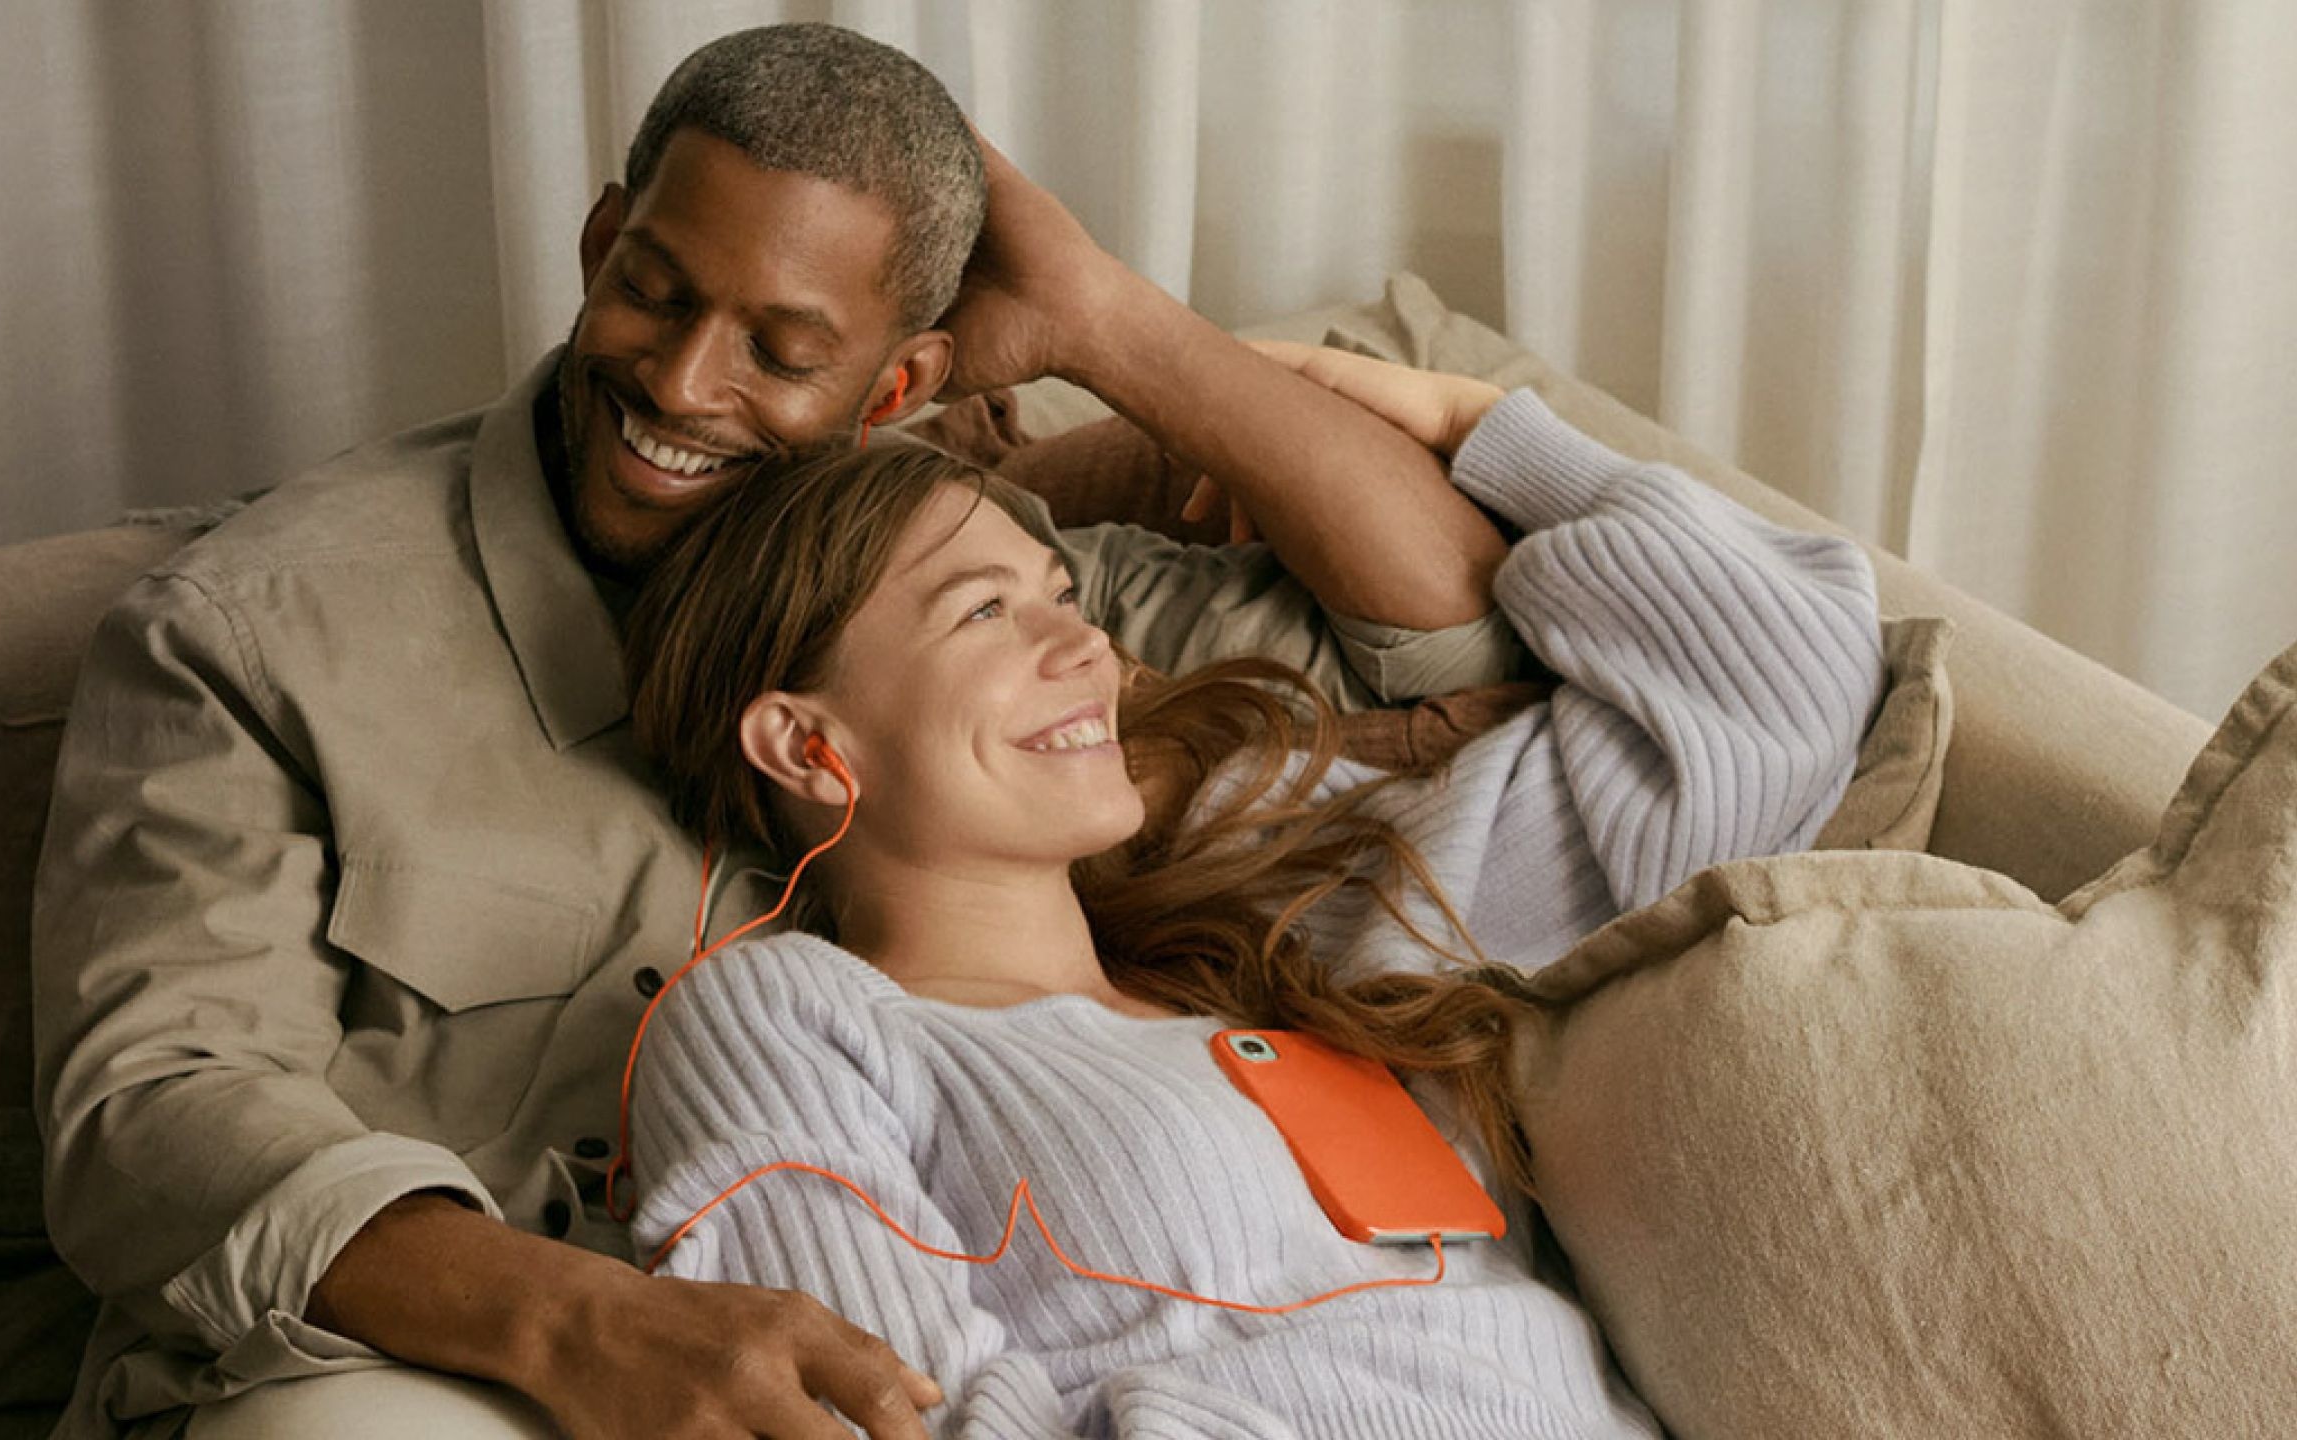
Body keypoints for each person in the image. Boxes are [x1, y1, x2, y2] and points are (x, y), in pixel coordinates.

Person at [30, 23, 1521, 1440]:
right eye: (655, 289)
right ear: (602, 237)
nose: (680, 386)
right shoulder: (255, 631)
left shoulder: (971, 564)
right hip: (469, 1352)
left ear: (899, 383)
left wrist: (1101, 318)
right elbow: (152, 1105)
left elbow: (1449, 634)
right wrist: (575, 1327)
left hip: (937, 1345)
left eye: (782, 352)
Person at [616, 350, 1888, 1436]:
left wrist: (1469, 422)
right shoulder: (783, 1015)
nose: (1086, 650)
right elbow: (873, 1410)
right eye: (983, 614)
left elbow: (1779, 689)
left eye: (1061, 597)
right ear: (802, 744)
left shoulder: (1298, 925)